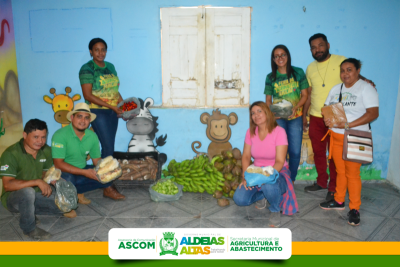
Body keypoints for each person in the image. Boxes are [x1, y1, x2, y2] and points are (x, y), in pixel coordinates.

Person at [319, 58, 379, 226]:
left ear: (358, 70)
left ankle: (354, 209)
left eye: (349, 70)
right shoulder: (336, 88)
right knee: (340, 171)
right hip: (336, 137)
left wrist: (347, 125)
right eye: (343, 70)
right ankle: (339, 201)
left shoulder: (366, 89)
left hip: (355, 137)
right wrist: (328, 119)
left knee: (352, 174)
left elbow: (373, 113)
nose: (345, 74)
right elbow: (327, 108)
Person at [0, 119, 76, 241]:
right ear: (25, 135)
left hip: (36, 194)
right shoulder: (11, 154)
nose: (40, 141)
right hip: (13, 199)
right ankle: (29, 229)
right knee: (27, 192)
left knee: (65, 206)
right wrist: (37, 182)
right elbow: (8, 185)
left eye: (43, 137)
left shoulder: (45, 150)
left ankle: (30, 211)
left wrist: (53, 179)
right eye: (36, 137)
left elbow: (44, 173)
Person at [233, 101, 298, 228]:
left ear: (267, 113)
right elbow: (246, 156)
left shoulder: (279, 132)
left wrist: (266, 176)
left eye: (259, 111)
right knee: (240, 199)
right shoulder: (250, 132)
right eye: (253, 113)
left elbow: (279, 161)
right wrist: (245, 177)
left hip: (277, 171)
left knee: (268, 185)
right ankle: (262, 196)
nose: (256, 115)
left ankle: (274, 209)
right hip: (256, 171)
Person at [52, 103, 125, 204]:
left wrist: (110, 169)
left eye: (86, 118)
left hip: (82, 169)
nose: (83, 121)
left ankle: (78, 193)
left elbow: (97, 161)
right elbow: (58, 164)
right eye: (79, 117)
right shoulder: (60, 135)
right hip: (65, 172)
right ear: (72, 118)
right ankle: (66, 202)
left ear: (90, 120)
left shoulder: (92, 136)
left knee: (106, 177)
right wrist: (85, 173)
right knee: (68, 180)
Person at [265, 45, 309, 182]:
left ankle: (291, 180)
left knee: (295, 151)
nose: (280, 58)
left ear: (288, 56)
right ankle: (280, 179)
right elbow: (268, 100)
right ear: (273, 59)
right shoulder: (270, 77)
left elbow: (305, 95)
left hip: (296, 117)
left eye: (283, 54)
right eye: (277, 56)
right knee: (280, 152)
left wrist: (296, 107)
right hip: (279, 118)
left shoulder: (298, 72)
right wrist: (272, 114)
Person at [79, 38, 124, 158]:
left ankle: (105, 173)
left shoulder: (110, 66)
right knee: (107, 146)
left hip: (112, 111)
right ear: (91, 52)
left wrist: (124, 107)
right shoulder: (87, 68)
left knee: (110, 146)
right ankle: (105, 175)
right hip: (97, 111)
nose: (100, 53)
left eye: (103, 50)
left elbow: (114, 91)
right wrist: (112, 107)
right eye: (96, 50)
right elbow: (87, 95)